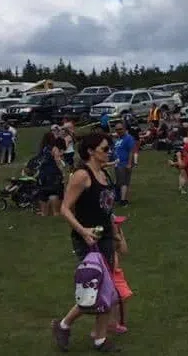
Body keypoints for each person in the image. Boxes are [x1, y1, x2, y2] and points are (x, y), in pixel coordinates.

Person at [52, 133, 120, 353]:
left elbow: (107, 208)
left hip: (106, 237)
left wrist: (116, 232)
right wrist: (83, 231)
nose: (108, 151)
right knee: (94, 287)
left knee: (106, 288)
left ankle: (100, 339)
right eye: (104, 148)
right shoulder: (82, 175)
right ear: (91, 151)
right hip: (88, 240)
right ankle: (63, 325)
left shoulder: (104, 173)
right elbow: (64, 208)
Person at [37, 131, 65, 216]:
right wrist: (63, 172)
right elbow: (57, 161)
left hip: (43, 172)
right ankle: (55, 212)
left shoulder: (44, 149)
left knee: (43, 192)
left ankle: (44, 212)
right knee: (54, 192)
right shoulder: (54, 148)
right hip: (53, 172)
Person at [113, 123, 135, 207]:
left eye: (120, 129)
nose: (118, 131)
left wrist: (129, 164)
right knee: (118, 182)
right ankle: (119, 198)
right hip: (117, 164)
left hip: (124, 163)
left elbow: (131, 151)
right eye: (117, 129)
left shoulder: (128, 138)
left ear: (124, 129)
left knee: (124, 182)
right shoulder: (118, 139)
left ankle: (123, 200)